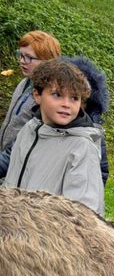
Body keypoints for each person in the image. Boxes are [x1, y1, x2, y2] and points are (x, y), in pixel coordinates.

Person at [3, 59, 103, 215]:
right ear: (37, 95)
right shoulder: (28, 131)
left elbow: (84, 216)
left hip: (48, 237)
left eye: (74, 98)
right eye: (57, 95)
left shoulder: (82, 148)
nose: (66, 104)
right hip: (14, 231)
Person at [0, 30, 61, 176]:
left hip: (19, 165)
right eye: (20, 55)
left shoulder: (49, 95)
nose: (22, 61)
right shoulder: (25, 83)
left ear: (47, 61)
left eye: (29, 57)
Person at [67, 55, 111, 185]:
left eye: (78, 98)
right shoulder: (38, 125)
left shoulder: (92, 135)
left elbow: (100, 176)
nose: (68, 104)